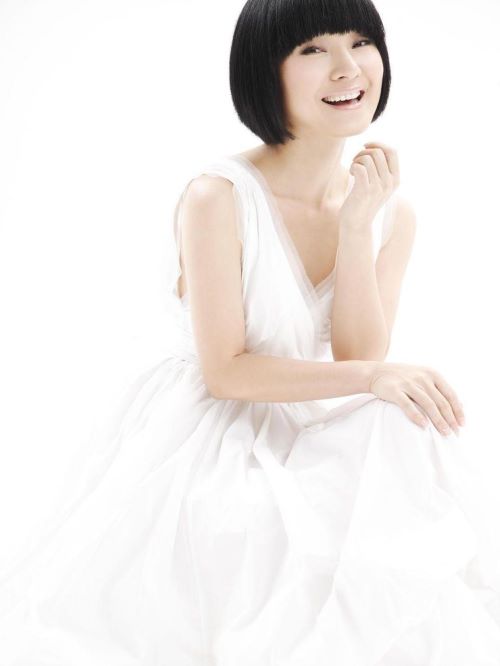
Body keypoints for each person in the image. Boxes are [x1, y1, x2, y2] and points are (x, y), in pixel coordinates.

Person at [1, 0, 500, 663]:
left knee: (405, 430)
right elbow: (226, 371)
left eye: (360, 42)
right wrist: (376, 375)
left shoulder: (389, 211)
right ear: (265, 72)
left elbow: (358, 355)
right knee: (264, 544)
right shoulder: (218, 196)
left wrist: (356, 226)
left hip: (307, 414)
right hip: (209, 425)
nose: (348, 68)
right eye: (313, 49)